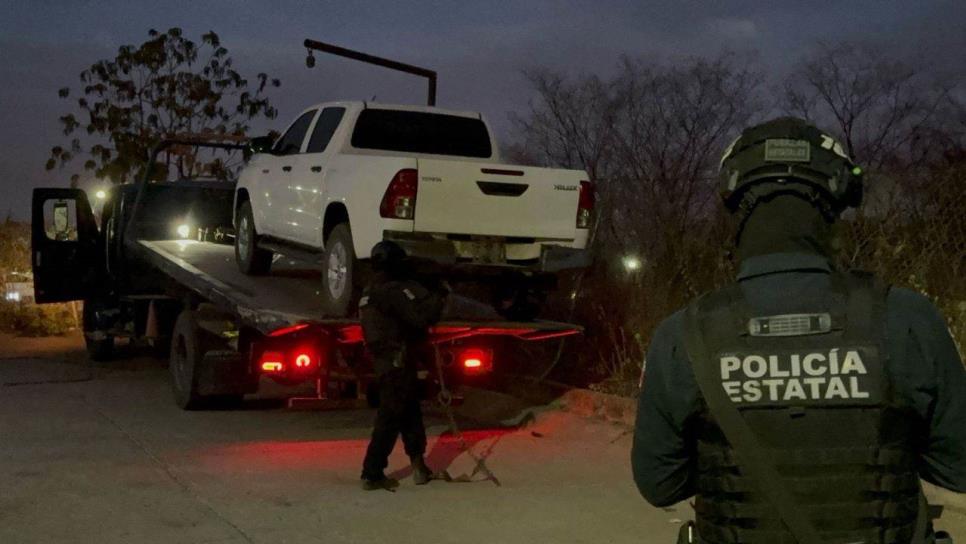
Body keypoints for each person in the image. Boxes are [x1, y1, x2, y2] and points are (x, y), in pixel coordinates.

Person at [632, 117, 966, 543]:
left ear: (735, 200)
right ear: (839, 196)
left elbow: (659, 484)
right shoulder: (908, 318)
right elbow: (959, 468)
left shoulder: (683, 334)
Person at [359, 241, 446, 491]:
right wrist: (438, 295)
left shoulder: (370, 290)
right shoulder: (392, 290)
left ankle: (419, 466)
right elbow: (421, 317)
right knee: (391, 416)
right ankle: (372, 472)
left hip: (388, 361)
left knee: (410, 413)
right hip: (395, 361)